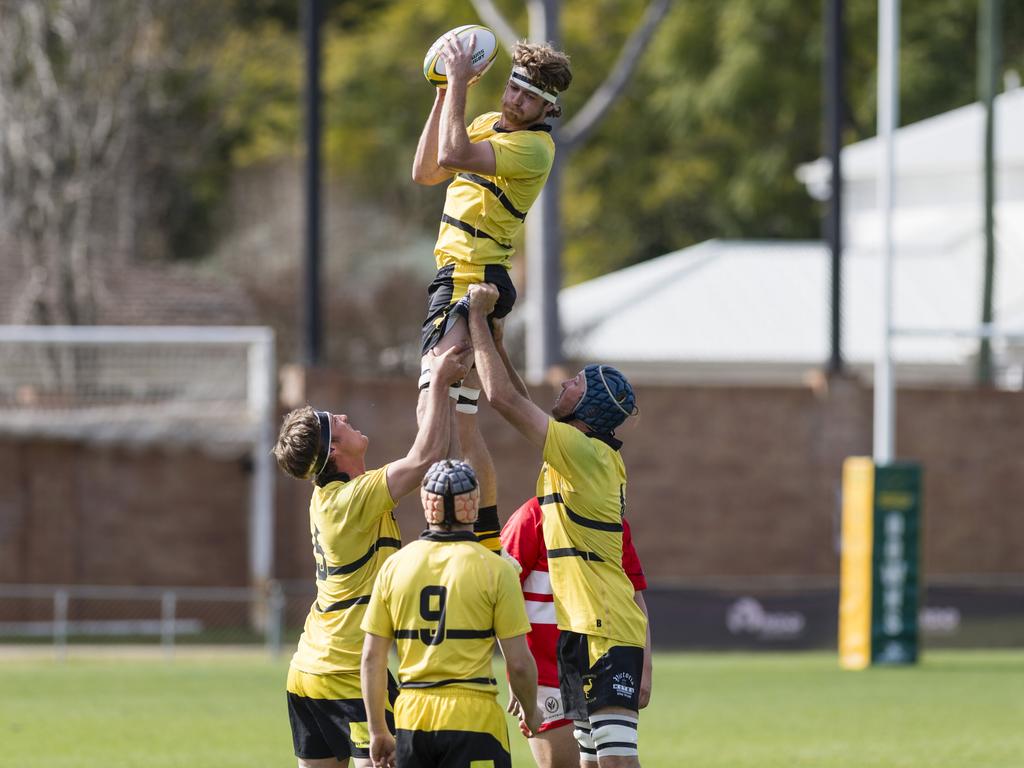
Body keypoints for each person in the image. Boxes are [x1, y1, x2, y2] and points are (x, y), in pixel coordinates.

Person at [466, 282, 648, 768]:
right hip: (577, 630)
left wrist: (478, 318)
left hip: (605, 628)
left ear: (589, 412)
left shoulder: (585, 455)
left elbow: (503, 400)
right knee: (590, 763)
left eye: (576, 385)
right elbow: (520, 400)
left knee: (615, 762)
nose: (563, 385)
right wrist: (499, 345)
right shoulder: (581, 451)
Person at [411, 33, 572, 555]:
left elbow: (454, 152)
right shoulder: (483, 122)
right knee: (458, 416)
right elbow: (427, 170)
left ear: (549, 109)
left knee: (431, 405)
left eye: (529, 98)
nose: (513, 101)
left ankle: (446, 530)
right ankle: (481, 538)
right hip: (457, 278)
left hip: (472, 279)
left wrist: (458, 81)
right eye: (511, 89)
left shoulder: (534, 146)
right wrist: (442, 93)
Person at [272, 346, 470, 768]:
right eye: (334, 424)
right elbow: (425, 460)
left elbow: (429, 457)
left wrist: (442, 397)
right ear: (334, 453)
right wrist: (436, 382)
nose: (342, 417)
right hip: (348, 673)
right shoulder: (350, 500)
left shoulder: (334, 496)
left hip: (308, 671)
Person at [361, 460, 542, 768]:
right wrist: (532, 710)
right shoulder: (496, 569)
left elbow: (371, 658)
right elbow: (520, 664)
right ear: (473, 505)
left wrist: (378, 730)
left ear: (426, 504)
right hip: (474, 716)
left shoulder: (395, 566)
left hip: (412, 717)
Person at [501, 497, 653, 768]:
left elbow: (633, 596)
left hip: (604, 662)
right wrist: (516, 668)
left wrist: (645, 665)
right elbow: (501, 594)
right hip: (546, 674)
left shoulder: (609, 518)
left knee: (619, 760)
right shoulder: (532, 517)